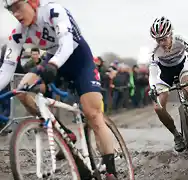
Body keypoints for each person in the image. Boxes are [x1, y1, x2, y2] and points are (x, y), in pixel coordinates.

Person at [1, 0, 117, 179]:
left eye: (17, 7)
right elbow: (7, 69)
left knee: (92, 113)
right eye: (11, 10)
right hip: (54, 59)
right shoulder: (19, 32)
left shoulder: (53, 11)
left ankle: (111, 171)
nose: (15, 14)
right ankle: (64, 133)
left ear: (32, 2)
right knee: (22, 90)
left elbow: (67, 44)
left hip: (79, 59)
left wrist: (53, 65)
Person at [148, 16, 188, 152]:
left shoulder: (181, 39)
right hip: (164, 74)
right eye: (158, 40)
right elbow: (153, 73)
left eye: (164, 38)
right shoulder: (154, 50)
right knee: (158, 108)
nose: (162, 43)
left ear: (171, 34)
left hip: (183, 68)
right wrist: (153, 87)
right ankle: (177, 136)